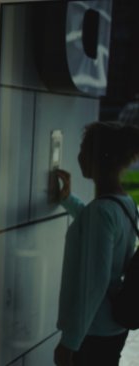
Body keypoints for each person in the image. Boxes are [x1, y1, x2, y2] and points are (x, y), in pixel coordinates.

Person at [53, 121, 139, 366]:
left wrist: (69, 343)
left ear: (99, 159)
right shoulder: (124, 203)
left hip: (93, 332)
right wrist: (68, 200)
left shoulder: (101, 212)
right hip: (112, 326)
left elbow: (94, 284)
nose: (79, 156)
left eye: (83, 150)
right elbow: (96, 228)